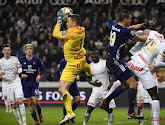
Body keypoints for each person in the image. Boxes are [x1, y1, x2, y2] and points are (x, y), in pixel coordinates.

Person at [100, 10, 149, 119]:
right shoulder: (125, 32)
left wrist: (133, 27)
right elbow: (141, 39)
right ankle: (130, 112)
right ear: (126, 19)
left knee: (126, 85)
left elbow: (124, 30)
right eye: (130, 19)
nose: (131, 20)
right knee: (133, 84)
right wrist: (148, 34)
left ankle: (106, 101)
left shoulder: (114, 26)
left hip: (110, 59)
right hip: (116, 60)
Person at [52, 8, 92, 125]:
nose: (66, 23)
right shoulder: (82, 29)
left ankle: (69, 113)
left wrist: (59, 20)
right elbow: (72, 26)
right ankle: (90, 75)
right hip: (82, 61)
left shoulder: (70, 32)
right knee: (87, 68)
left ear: (74, 23)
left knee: (62, 89)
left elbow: (55, 33)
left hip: (72, 65)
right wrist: (69, 16)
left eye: (67, 22)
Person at [127, 29, 165, 125]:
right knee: (143, 103)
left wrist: (131, 33)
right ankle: (145, 123)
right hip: (142, 71)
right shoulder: (161, 45)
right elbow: (158, 63)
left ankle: (154, 122)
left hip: (146, 73)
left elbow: (143, 32)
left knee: (153, 101)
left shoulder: (154, 34)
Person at [83, 50, 117, 125]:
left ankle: (110, 124)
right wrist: (92, 83)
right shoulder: (89, 66)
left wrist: (111, 83)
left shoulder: (104, 63)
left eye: (95, 54)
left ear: (98, 55)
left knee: (109, 110)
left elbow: (113, 73)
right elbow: (88, 78)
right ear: (90, 56)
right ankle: (84, 123)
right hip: (96, 90)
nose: (94, 55)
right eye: (92, 54)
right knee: (89, 108)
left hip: (106, 90)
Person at [0, 44, 27, 125]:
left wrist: (18, 72)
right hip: (7, 84)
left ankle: (24, 121)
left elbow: (20, 68)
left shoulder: (15, 59)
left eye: (8, 50)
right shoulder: (0, 61)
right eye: (5, 50)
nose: (7, 51)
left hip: (16, 82)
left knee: (20, 101)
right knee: (14, 106)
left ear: (10, 51)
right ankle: (20, 123)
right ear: (3, 51)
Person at [19, 44, 44, 125]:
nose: (29, 50)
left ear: (32, 50)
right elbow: (16, 70)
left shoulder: (37, 59)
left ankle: (39, 113)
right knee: (29, 103)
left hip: (34, 83)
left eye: (30, 49)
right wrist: (21, 75)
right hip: (25, 84)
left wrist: (39, 75)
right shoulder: (21, 60)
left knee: (35, 102)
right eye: (27, 49)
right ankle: (36, 121)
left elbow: (43, 69)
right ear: (25, 51)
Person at [56, 58, 81, 122]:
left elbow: (78, 69)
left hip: (73, 84)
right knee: (67, 100)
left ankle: (69, 114)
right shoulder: (62, 62)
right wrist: (62, 80)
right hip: (65, 84)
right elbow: (57, 72)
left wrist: (78, 75)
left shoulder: (75, 60)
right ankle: (66, 115)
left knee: (78, 99)